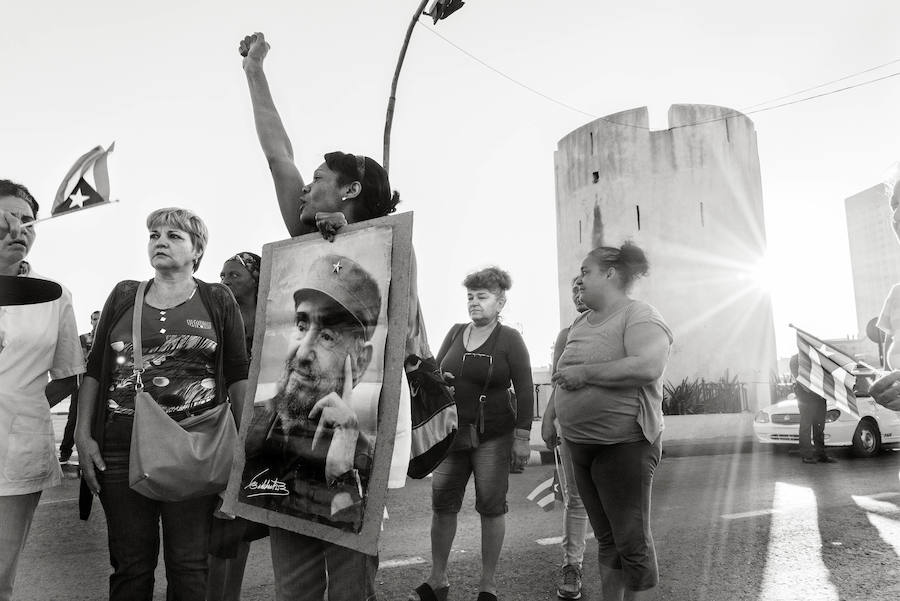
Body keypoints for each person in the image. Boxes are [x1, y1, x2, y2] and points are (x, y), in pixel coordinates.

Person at [238, 31, 431, 601]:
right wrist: (254, 72)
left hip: (359, 440)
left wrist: (351, 241)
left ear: (349, 190)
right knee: (293, 582)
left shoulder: (392, 250)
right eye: (304, 324)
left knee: (350, 582)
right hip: (286, 451)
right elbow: (278, 154)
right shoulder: (302, 238)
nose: (305, 186)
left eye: (320, 179)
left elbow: (408, 328)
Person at [74, 208, 249, 601]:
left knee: (189, 566)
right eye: (154, 234)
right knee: (131, 566)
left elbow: (238, 376)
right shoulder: (123, 294)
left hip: (195, 448)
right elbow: (95, 372)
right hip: (120, 449)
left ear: (196, 249)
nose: (160, 241)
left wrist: (242, 450)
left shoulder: (217, 298)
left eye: (174, 236)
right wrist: (83, 437)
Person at [552, 243, 672, 601]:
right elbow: (563, 376)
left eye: (586, 272)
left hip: (624, 444)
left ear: (610, 274)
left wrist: (586, 374)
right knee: (607, 540)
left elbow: (648, 366)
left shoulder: (640, 315)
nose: (580, 279)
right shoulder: (579, 323)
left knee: (631, 542)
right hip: (580, 447)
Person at [414, 267, 533, 601]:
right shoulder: (454, 332)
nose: (474, 303)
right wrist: (434, 378)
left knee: (491, 508)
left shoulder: (510, 339)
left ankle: (487, 586)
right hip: (452, 435)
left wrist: (523, 438)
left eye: (482, 297)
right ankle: (438, 580)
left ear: (500, 300)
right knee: (442, 506)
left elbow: (525, 390)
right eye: (470, 297)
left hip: (494, 436)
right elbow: (433, 376)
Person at [240, 253, 381, 531]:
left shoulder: (362, 456)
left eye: (327, 336)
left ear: (361, 362)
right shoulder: (251, 423)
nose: (303, 352)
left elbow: (353, 531)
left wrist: (341, 475)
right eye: (301, 326)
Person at [0, 182, 84, 601]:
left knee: (0, 570)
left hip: (17, 452)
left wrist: (23, 408)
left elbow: (69, 373)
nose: (19, 229)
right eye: (7, 219)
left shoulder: (53, 295)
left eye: (27, 221)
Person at [207, 251, 265, 601]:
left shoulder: (274, 318)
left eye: (234, 275)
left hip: (257, 424)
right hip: (221, 422)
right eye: (222, 275)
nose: (225, 281)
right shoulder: (217, 316)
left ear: (256, 278)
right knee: (219, 522)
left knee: (239, 525)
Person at [541, 275, 590, 600]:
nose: (577, 291)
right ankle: (572, 565)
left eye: (582, 284)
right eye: (572, 287)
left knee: (616, 503)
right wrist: (548, 418)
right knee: (575, 499)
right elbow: (558, 380)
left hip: (614, 433)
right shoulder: (566, 335)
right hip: (572, 431)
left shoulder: (620, 326)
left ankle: (624, 565)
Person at [58, 309, 100, 464]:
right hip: (81, 385)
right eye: (94, 319)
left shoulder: (107, 339)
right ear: (91, 321)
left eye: (100, 319)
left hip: (101, 386)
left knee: (98, 419)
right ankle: (65, 451)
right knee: (74, 419)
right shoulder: (83, 338)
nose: (97, 321)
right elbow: (81, 358)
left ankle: (93, 455)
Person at [789, 355, 836, 464]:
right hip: (806, 396)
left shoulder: (816, 358)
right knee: (806, 426)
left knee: (819, 427)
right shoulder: (796, 359)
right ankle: (807, 455)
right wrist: (812, 389)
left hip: (819, 395)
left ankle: (821, 455)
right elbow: (798, 377)